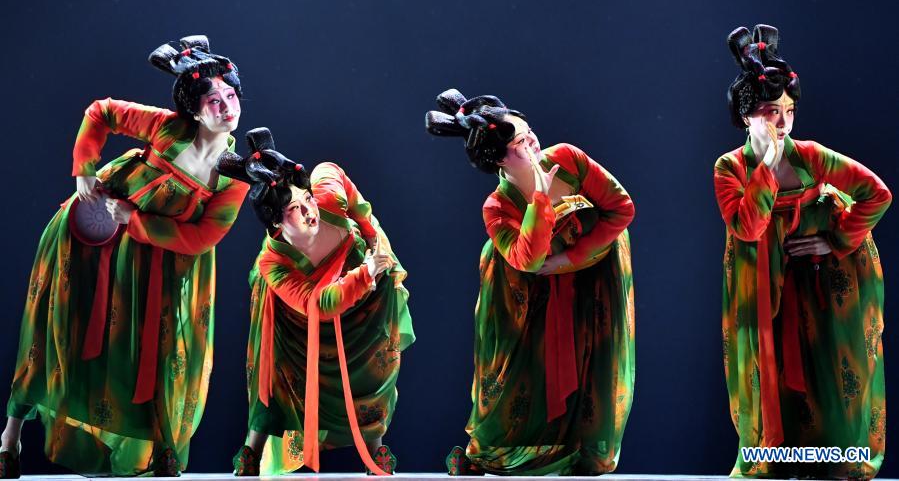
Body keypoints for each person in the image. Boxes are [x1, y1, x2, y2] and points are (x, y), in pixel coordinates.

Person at [0, 36, 249, 477]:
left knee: (159, 352)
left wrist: (137, 220)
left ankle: (162, 447)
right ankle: (10, 436)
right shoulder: (168, 127)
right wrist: (84, 171)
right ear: (194, 109)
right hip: (93, 242)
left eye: (230, 97)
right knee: (57, 324)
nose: (226, 107)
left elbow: (204, 237)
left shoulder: (234, 175)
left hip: (155, 265)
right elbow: (102, 112)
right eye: (214, 100)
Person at [425, 89, 635, 475]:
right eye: (521, 141)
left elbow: (621, 209)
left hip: (590, 284)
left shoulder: (568, 159)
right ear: (501, 159)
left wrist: (569, 259)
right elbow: (528, 259)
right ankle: (501, 452)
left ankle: (581, 451)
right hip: (525, 300)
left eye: (529, 132)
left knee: (592, 369)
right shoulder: (498, 206)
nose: (533, 141)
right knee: (520, 379)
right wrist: (540, 198)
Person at [715, 25, 891, 478]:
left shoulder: (812, 155)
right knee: (767, 369)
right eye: (771, 112)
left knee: (832, 369)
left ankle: (833, 461)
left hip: (824, 279)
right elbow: (748, 227)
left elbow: (878, 193)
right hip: (762, 281)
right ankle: (775, 457)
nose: (782, 122)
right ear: (746, 117)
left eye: (788, 111)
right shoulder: (731, 167)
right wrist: (768, 171)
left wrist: (837, 239)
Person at [217, 128, 413, 476]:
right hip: (297, 319)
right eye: (295, 208)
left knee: (371, 370)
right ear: (276, 221)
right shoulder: (274, 263)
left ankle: (375, 449)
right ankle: (252, 448)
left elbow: (338, 176)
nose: (310, 211)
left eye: (307, 198)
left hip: (361, 303)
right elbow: (316, 304)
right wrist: (366, 272)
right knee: (276, 374)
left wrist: (370, 235)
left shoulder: (327, 196)